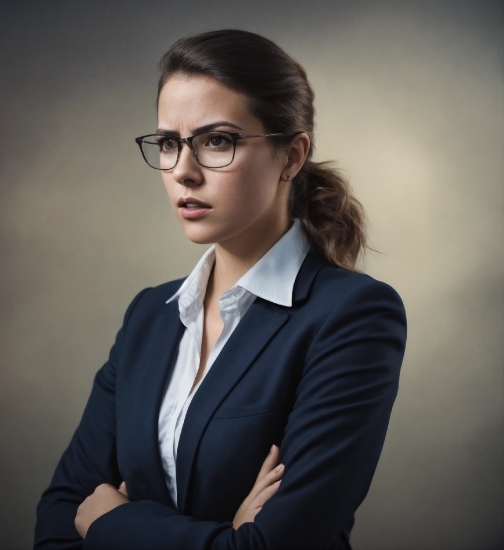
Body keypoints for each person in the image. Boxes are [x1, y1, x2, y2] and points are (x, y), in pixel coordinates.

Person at [34, 29, 407, 550]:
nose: (183, 172)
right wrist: (225, 536)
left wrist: (106, 523)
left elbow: (274, 546)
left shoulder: (353, 314)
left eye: (217, 140)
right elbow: (56, 523)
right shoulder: (150, 315)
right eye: (168, 143)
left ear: (292, 156)